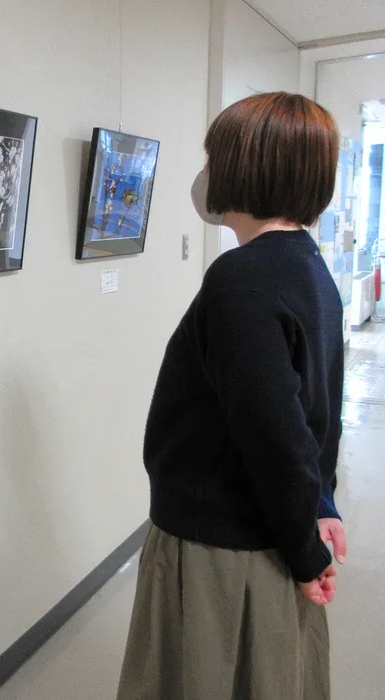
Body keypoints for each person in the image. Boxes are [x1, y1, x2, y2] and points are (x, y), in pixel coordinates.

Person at [116, 92, 347, 700]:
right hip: (267, 531)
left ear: (249, 167)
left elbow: (274, 434)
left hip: (224, 546)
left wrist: (304, 549)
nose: (206, 172)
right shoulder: (307, 268)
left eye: (214, 156)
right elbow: (317, 414)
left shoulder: (242, 279)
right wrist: (321, 506)